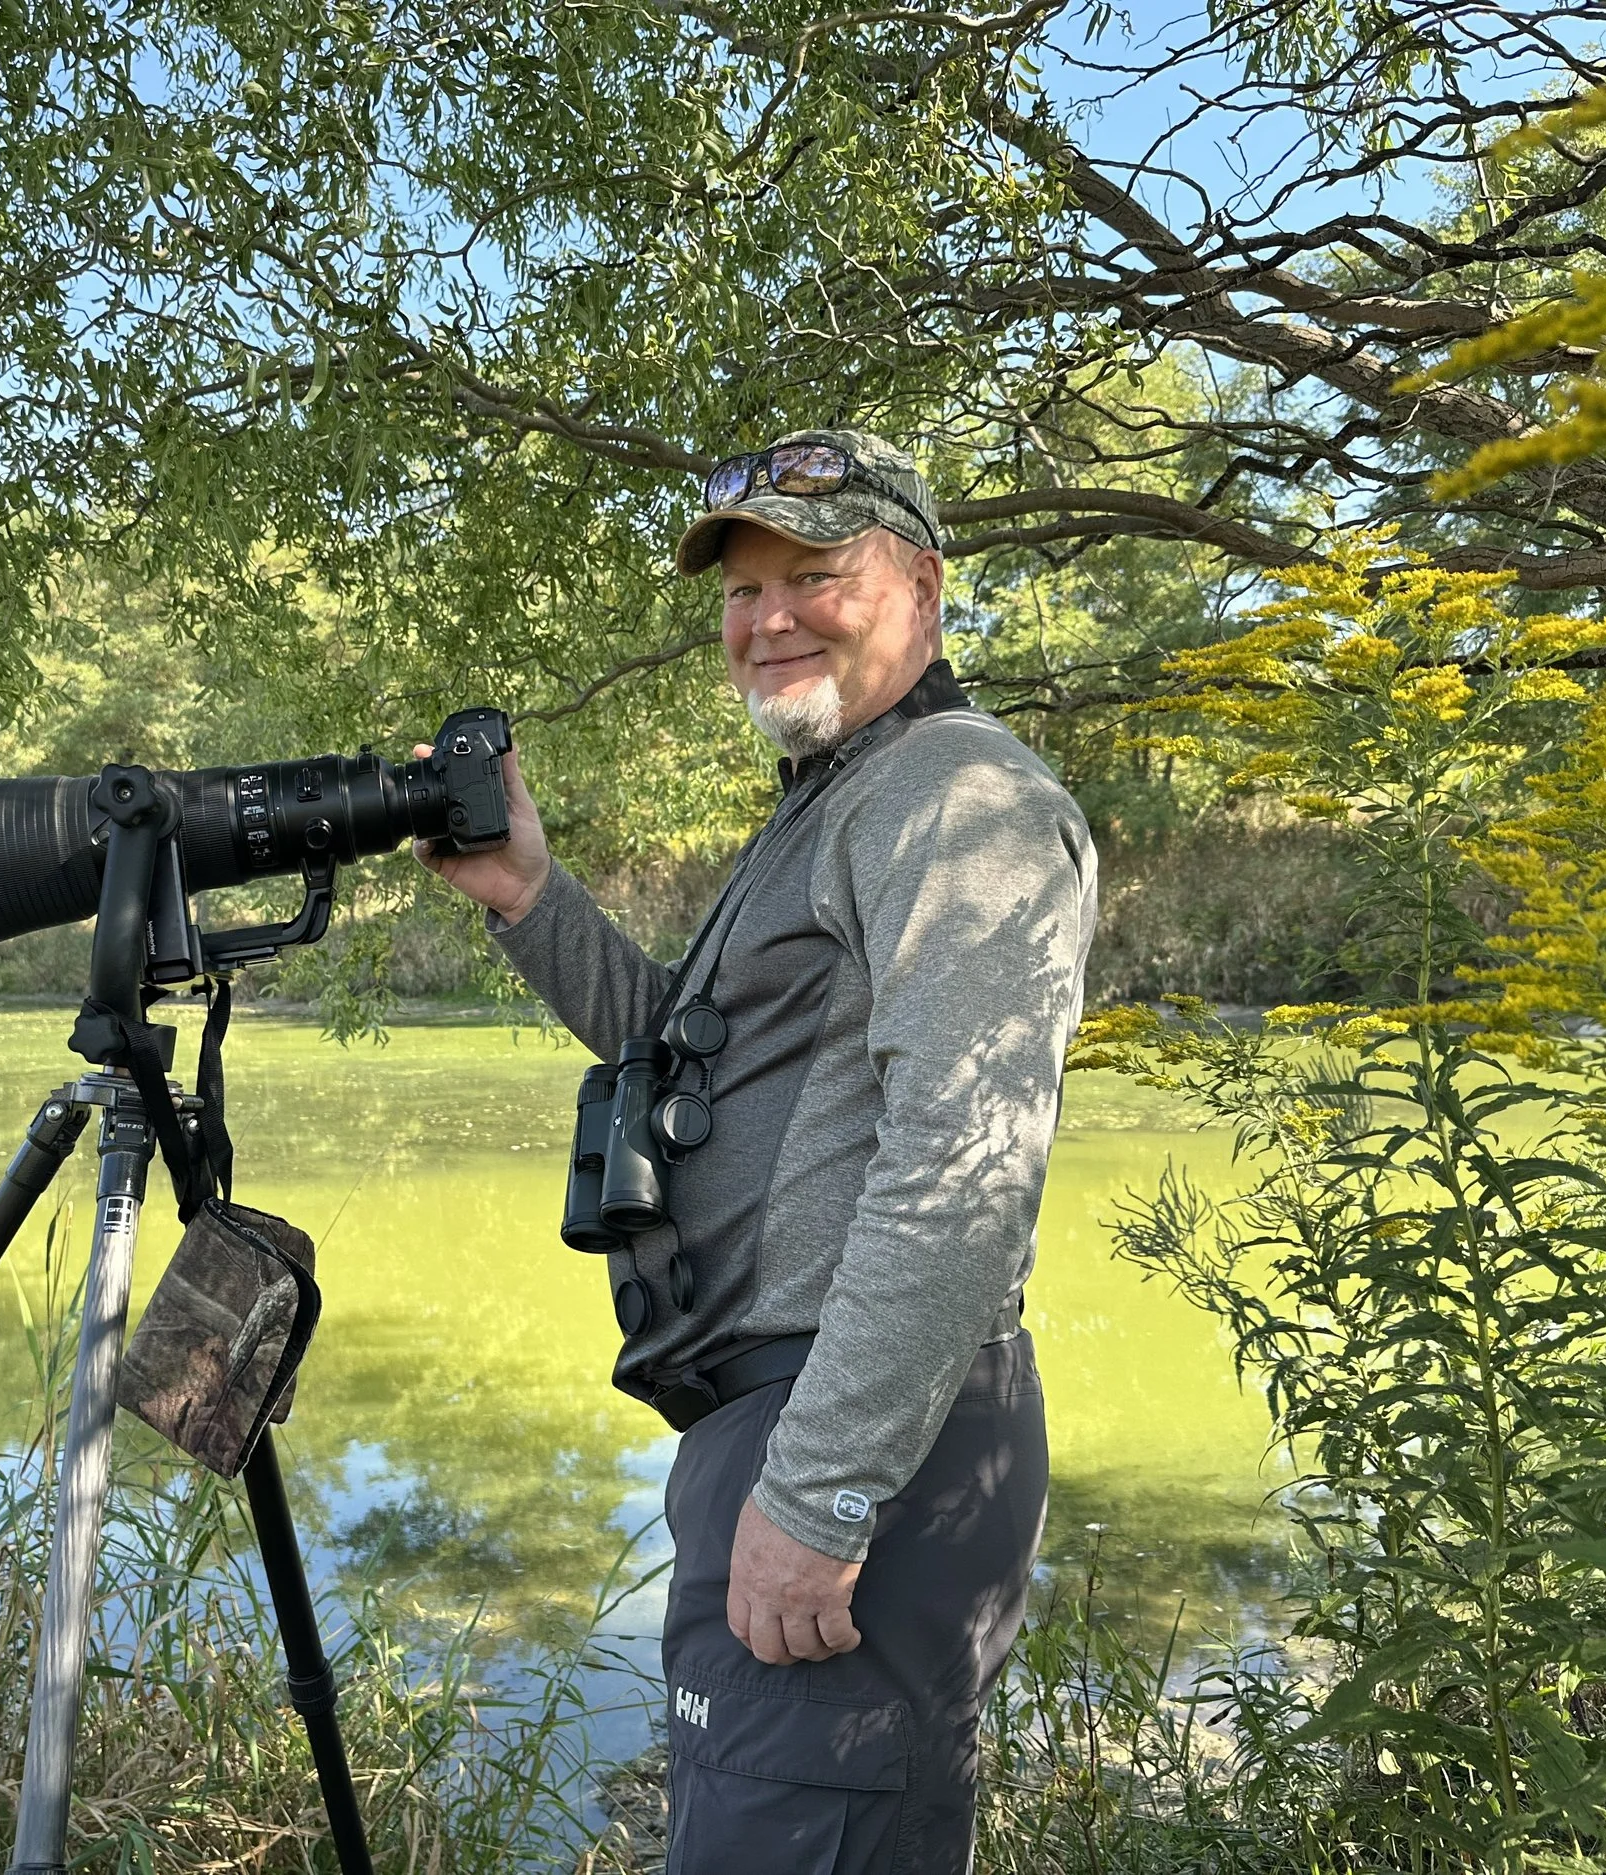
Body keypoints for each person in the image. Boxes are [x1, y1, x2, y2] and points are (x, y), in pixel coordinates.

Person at [419, 428, 1097, 1875]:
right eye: (741, 589)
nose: (767, 615)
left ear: (919, 583)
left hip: (856, 1441)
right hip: (787, 1427)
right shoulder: (840, 796)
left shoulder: (952, 795)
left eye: (816, 572)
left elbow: (960, 1169)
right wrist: (527, 893)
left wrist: (823, 1489)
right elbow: (685, 1056)